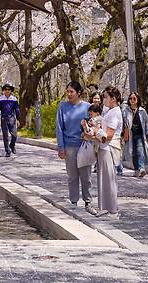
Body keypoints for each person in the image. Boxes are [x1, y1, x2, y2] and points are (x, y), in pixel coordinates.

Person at [56, 79, 92, 209]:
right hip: (69, 145)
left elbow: (93, 125)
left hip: (84, 145)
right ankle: (73, 201)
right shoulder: (63, 107)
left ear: (78, 93)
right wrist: (61, 147)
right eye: (68, 91)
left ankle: (88, 201)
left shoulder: (87, 107)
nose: (69, 94)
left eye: (72, 92)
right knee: (72, 176)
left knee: (86, 175)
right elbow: (59, 128)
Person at [89, 85, 123, 216]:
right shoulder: (109, 111)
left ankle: (112, 209)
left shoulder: (115, 112)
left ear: (113, 98)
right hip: (104, 147)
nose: (104, 99)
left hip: (109, 147)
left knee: (109, 179)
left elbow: (108, 135)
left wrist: (97, 131)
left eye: (106, 97)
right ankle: (104, 207)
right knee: (103, 179)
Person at [122, 91, 148, 178]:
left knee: (140, 151)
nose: (132, 100)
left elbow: (147, 123)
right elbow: (123, 124)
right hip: (130, 135)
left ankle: (141, 168)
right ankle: (136, 169)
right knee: (133, 153)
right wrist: (122, 134)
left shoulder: (142, 111)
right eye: (130, 98)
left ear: (137, 100)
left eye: (134, 98)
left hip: (140, 134)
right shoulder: (125, 111)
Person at [0, 83, 20, 157]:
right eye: (5, 89)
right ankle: (7, 151)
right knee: (5, 136)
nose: (7, 91)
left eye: (8, 89)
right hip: (3, 118)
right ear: (3, 90)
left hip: (12, 118)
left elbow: (17, 110)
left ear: (11, 90)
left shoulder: (14, 99)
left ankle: (12, 145)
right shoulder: (0, 99)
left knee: (14, 135)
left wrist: (18, 119)